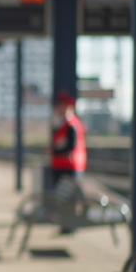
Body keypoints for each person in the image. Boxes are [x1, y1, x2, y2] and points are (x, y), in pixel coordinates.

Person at [49, 91, 87, 234]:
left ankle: (71, 226)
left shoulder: (71, 125)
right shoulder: (62, 124)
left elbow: (69, 147)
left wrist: (54, 152)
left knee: (69, 198)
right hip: (62, 166)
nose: (58, 109)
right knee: (63, 199)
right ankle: (66, 225)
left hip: (68, 167)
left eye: (62, 106)